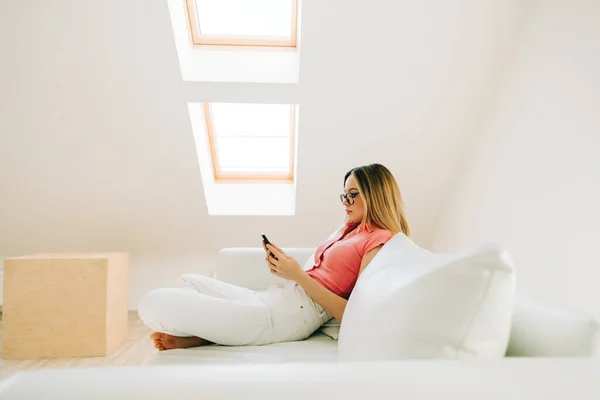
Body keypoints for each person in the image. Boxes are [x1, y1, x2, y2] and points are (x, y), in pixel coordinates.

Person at [138, 163, 411, 351]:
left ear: (376, 196)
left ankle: (210, 334)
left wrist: (298, 276)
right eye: (344, 195)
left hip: (289, 316)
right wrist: (287, 268)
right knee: (189, 280)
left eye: (353, 195)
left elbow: (353, 313)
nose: (345, 203)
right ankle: (214, 332)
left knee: (153, 302)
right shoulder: (348, 230)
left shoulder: (379, 241)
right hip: (273, 297)